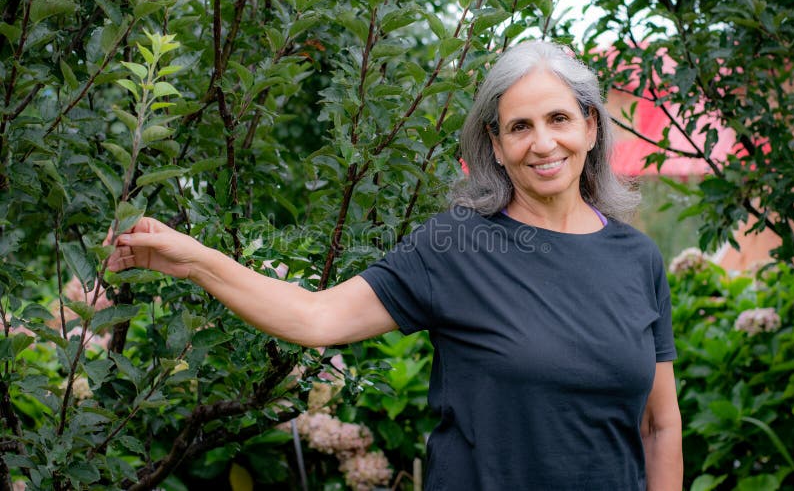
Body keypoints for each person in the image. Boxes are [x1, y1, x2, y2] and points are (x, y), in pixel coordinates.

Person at [107, 41, 682, 490]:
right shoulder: (457, 246)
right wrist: (196, 261)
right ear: (496, 143)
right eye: (519, 127)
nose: (542, 143)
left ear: (590, 126)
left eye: (558, 119)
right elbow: (317, 319)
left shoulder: (637, 259)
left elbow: (660, 426)